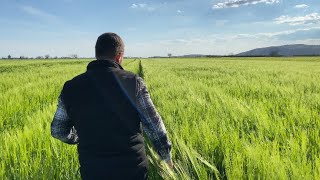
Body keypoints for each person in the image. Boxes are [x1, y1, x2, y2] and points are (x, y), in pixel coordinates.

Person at [51, 32, 173, 180]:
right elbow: (154, 126)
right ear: (120, 56)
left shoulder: (71, 87)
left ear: (96, 54)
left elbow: (58, 130)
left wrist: (77, 137)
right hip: (133, 170)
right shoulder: (134, 82)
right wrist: (166, 157)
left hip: (93, 171)